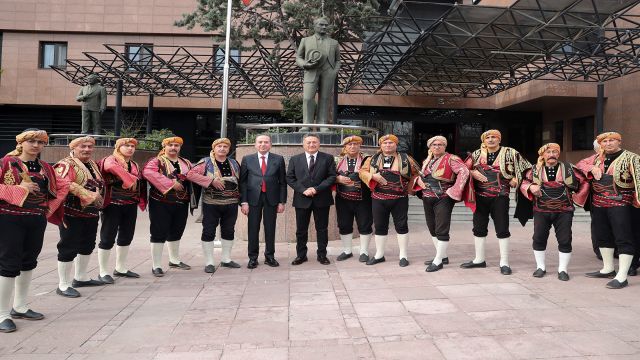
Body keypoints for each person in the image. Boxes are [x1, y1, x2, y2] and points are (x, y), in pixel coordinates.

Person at [0, 129, 68, 333]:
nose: (36, 145)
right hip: (9, 218)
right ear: (21, 143)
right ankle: (2, 313)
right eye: (31, 141)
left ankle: (20, 306)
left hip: (36, 218)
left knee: (29, 261)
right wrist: (20, 189)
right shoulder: (5, 163)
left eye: (40, 142)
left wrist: (48, 210)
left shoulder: (46, 167)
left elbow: (61, 187)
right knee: (8, 263)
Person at [575, 132, 640, 289]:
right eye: (605, 141)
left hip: (621, 203)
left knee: (623, 238)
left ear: (619, 142)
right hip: (598, 204)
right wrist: (591, 168)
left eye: (612, 140)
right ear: (601, 144)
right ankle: (608, 268)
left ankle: (622, 275)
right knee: (603, 237)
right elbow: (578, 166)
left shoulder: (632, 157)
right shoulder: (597, 158)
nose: (608, 143)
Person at [461, 129, 531, 275]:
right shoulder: (476, 154)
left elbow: (526, 168)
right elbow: (463, 168)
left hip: (500, 196)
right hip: (480, 197)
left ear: (499, 139)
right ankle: (479, 259)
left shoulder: (511, 153)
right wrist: (472, 172)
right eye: (488, 137)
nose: (491, 140)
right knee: (478, 227)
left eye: (494, 137)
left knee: (502, 227)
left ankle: (504, 262)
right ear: (484, 140)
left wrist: (516, 179)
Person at [520, 143, 587, 281]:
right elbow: (523, 182)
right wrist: (531, 187)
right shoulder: (533, 170)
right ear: (542, 155)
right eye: (548, 152)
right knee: (538, 238)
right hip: (541, 210)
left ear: (559, 154)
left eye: (555, 152)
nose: (551, 154)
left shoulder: (569, 169)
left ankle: (563, 269)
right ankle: (540, 267)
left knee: (565, 239)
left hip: (564, 210)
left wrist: (577, 196)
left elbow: (585, 181)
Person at [53, 136, 106, 298]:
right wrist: (89, 194)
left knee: (88, 243)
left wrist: (98, 197)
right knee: (68, 245)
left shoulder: (92, 164)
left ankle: (81, 277)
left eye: (90, 146)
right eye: (83, 146)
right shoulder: (65, 164)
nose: (87, 149)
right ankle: (63, 284)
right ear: (74, 148)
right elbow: (63, 183)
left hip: (90, 211)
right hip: (71, 210)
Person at [359, 134, 420, 267]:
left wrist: (411, 189)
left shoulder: (406, 158)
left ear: (396, 145)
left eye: (391, 143)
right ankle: (379, 255)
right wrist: (372, 176)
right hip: (378, 198)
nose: (388, 145)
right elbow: (362, 172)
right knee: (380, 226)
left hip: (400, 199)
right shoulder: (372, 159)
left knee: (402, 226)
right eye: (385, 143)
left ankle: (403, 255)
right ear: (380, 145)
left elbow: (416, 173)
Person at [187, 138, 241, 273]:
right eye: (219, 146)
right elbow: (190, 174)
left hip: (231, 203)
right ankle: (209, 262)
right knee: (209, 231)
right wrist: (211, 180)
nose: (222, 149)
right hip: (211, 203)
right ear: (214, 148)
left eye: (225, 147)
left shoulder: (234, 163)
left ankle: (226, 259)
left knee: (229, 230)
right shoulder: (205, 162)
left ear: (229, 149)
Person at [96, 138, 147, 284]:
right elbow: (111, 168)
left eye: (132, 146)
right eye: (126, 146)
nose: (130, 148)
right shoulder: (110, 160)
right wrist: (129, 178)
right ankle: (103, 271)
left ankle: (120, 267)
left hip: (130, 203)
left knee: (126, 236)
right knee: (107, 237)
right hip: (112, 204)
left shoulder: (134, 164)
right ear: (118, 147)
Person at [415, 136, 469, 272]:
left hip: (443, 197)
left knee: (441, 229)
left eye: (440, 144)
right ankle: (442, 256)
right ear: (430, 147)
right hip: (427, 197)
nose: (437, 147)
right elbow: (422, 175)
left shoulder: (452, 158)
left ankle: (438, 261)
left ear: (445, 147)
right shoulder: (427, 160)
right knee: (432, 228)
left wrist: (455, 190)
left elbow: (464, 171)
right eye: (434, 145)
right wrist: (419, 181)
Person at [143, 136, 195, 277]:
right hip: (160, 202)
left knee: (177, 230)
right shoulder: (157, 161)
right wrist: (170, 183)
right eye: (170, 145)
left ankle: (174, 260)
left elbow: (194, 175)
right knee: (158, 232)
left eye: (176, 145)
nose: (173, 148)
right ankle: (156, 265)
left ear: (180, 148)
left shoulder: (186, 162)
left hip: (181, 202)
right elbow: (147, 172)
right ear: (164, 146)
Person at [286, 134, 337, 265]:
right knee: (301, 230)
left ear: (319, 144)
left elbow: (331, 177)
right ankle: (301, 255)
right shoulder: (295, 159)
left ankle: (322, 255)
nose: (311, 145)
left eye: (314, 142)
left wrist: (316, 189)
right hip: (302, 199)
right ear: (303, 144)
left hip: (322, 198)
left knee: (322, 229)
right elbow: (290, 178)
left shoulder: (328, 158)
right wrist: (304, 190)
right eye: (308, 142)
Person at [239, 135, 287, 269]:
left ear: (270, 144)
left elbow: (283, 182)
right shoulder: (247, 159)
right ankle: (253, 258)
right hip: (253, 199)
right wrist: (244, 202)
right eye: (260, 142)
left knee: (270, 228)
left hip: (272, 199)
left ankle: (269, 256)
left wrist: (282, 201)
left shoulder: (278, 159)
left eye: (266, 142)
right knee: (253, 228)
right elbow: (242, 182)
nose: (263, 144)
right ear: (255, 144)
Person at [334, 135, 373, 262]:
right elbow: (327, 175)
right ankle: (347, 250)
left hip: (363, 199)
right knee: (344, 224)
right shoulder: (336, 161)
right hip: (343, 199)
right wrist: (337, 178)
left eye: (355, 144)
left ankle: (364, 252)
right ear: (345, 147)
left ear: (359, 146)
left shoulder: (368, 160)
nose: (352, 146)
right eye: (349, 145)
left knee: (365, 224)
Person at [295, 17, 341, 126]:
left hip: (328, 71)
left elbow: (338, 60)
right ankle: (307, 125)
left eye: (326, 25)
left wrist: (334, 72)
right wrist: (304, 64)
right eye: (321, 24)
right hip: (311, 71)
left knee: (325, 98)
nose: (324, 27)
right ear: (314, 26)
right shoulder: (305, 40)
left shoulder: (334, 43)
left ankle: (322, 124)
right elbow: (298, 57)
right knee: (307, 98)